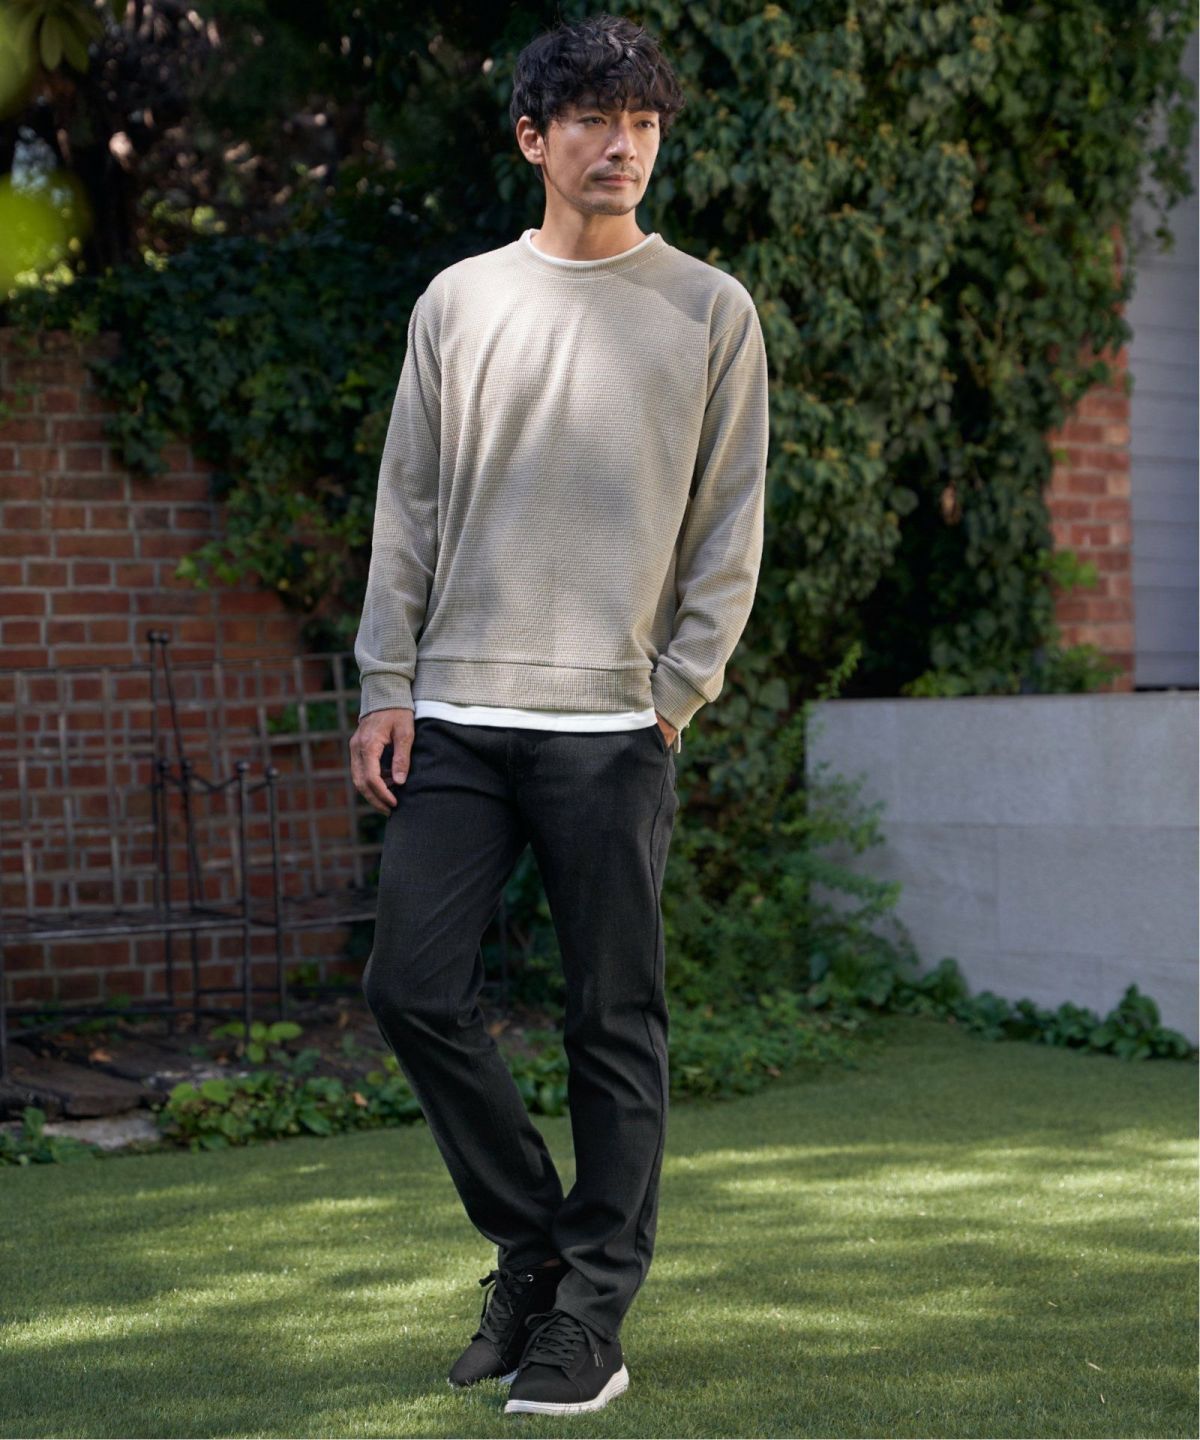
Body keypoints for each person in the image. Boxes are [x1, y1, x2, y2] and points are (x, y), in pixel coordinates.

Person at [349, 10, 769, 1418]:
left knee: (611, 1026)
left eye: (642, 122)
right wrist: (387, 683)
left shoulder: (710, 309)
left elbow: (728, 524)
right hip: (459, 715)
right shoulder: (458, 302)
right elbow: (408, 506)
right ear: (534, 136)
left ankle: (589, 1317)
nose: (622, 145)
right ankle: (535, 1248)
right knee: (409, 987)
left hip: (613, 728)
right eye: (593, 119)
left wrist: (675, 694)